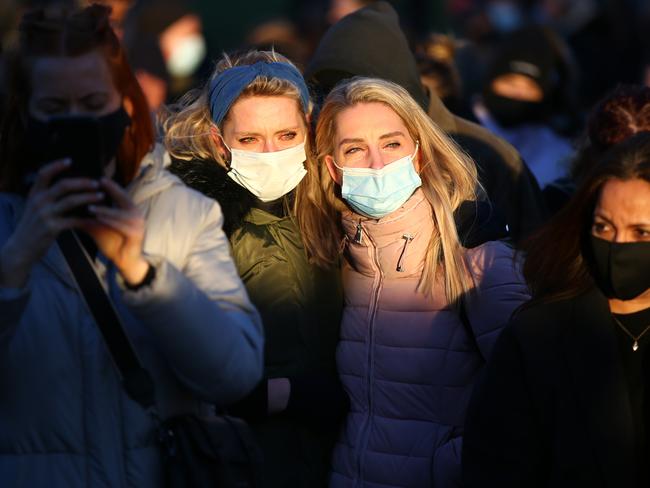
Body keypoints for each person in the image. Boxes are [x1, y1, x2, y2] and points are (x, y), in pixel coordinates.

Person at [0, 5, 263, 487]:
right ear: (24, 113)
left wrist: (145, 276)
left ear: (124, 106)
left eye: (93, 102)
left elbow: (235, 375)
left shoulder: (180, 211)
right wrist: (15, 262)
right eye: (55, 110)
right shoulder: (8, 225)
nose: (77, 123)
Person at [303, 76, 529, 487]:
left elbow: (533, 394)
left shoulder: (479, 259)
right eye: (355, 149)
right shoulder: (336, 258)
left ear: (418, 153)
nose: (377, 164)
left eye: (392, 144)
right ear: (333, 168)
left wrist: (447, 466)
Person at [163, 49, 347, 488]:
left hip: (333, 461)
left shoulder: (333, 209)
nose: (271, 153)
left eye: (286, 134)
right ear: (216, 139)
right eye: (249, 140)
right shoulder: (195, 222)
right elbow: (180, 358)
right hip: (234, 462)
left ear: (309, 125)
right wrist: (284, 396)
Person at [462, 132, 650, 487]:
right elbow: (495, 465)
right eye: (604, 227)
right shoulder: (537, 336)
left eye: (641, 233)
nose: (618, 247)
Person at [304, 0, 547, 246]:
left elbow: (533, 258)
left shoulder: (489, 156)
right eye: (327, 90)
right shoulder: (322, 155)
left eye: (362, 86)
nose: (348, 99)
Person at [474, 26, 577, 190]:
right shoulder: (461, 131)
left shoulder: (559, 154)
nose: (517, 94)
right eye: (510, 83)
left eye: (530, 88)